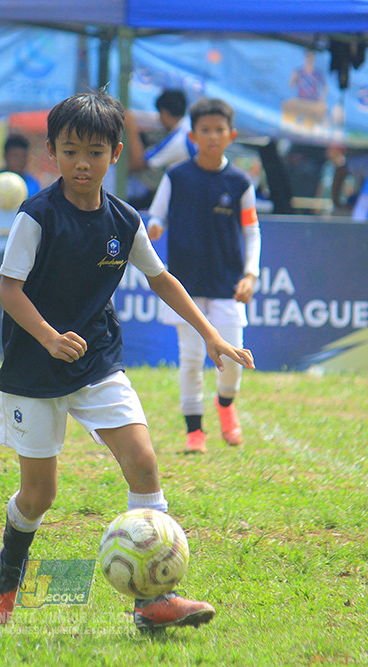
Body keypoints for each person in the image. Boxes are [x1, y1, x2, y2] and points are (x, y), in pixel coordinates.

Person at [0, 91, 255, 630]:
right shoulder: (36, 216)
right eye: (71, 150)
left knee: (144, 461)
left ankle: (154, 599)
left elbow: (162, 280)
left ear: (116, 154)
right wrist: (49, 337)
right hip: (36, 367)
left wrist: (213, 336)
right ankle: (5, 580)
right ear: (53, 153)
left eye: (96, 152)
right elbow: (9, 291)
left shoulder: (123, 220)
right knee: (39, 495)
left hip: (98, 361)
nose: (83, 163)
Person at [146, 97, 261, 453]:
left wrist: (251, 274)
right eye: (205, 131)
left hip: (228, 287)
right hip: (186, 285)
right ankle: (194, 432)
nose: (213, 137)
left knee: (233, 360)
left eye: (219, 130)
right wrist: (154, 226)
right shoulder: (177, 176)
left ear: (232, 135)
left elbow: (252, 231)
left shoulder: (241, 182)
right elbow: (157, 214)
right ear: (193, 135)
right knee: (191, 359)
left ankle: (225, 405)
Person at [124, 89, 195, 208]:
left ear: (164, 113)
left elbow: (139, 163)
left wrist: (131, 127)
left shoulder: (178, 139)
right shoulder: (188, 126)